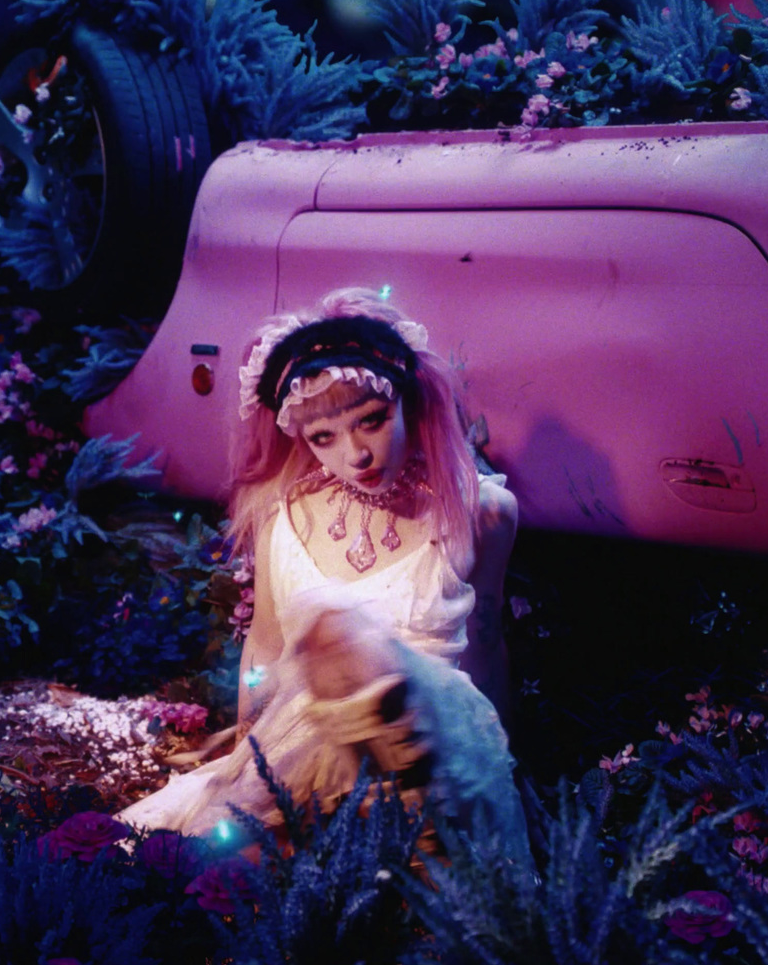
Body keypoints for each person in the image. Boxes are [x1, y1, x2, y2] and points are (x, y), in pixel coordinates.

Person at [116, 287, 521, 840]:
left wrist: (501, 763)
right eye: (323, 437)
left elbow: (486, 638)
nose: (354, 455)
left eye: (372, 420)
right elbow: (265, 647)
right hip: (306, 746)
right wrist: (245, 756)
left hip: (430, 748)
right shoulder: (288, 515)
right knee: (197, 854)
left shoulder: (481, 511)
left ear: (408, 401)